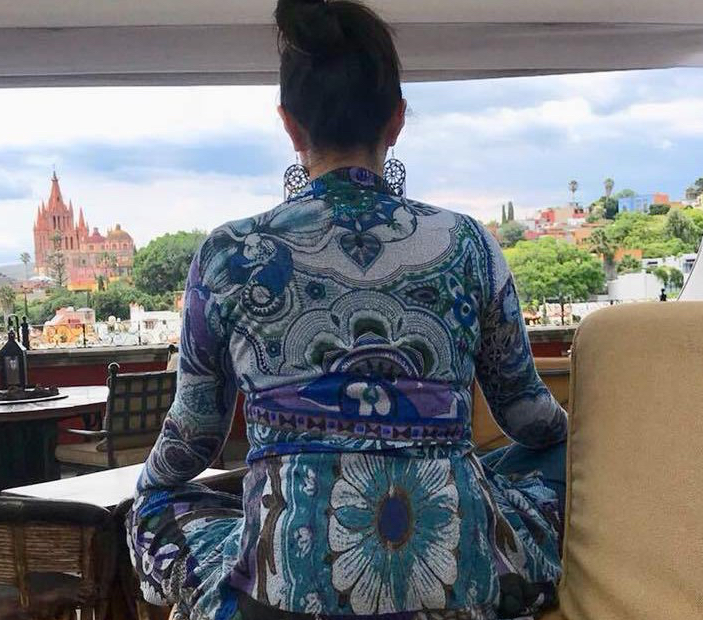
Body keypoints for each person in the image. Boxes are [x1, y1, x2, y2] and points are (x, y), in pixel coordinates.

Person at [127, 1, 568, 618]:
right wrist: (574, 437)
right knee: (541, 463)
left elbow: (194, 438)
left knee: (156, 507)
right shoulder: (469, 244)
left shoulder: (228, 254)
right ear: (397, 119)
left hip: (279, 597)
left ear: (290, 126)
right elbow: (527, 417)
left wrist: (147, 489)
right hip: (456, 585)